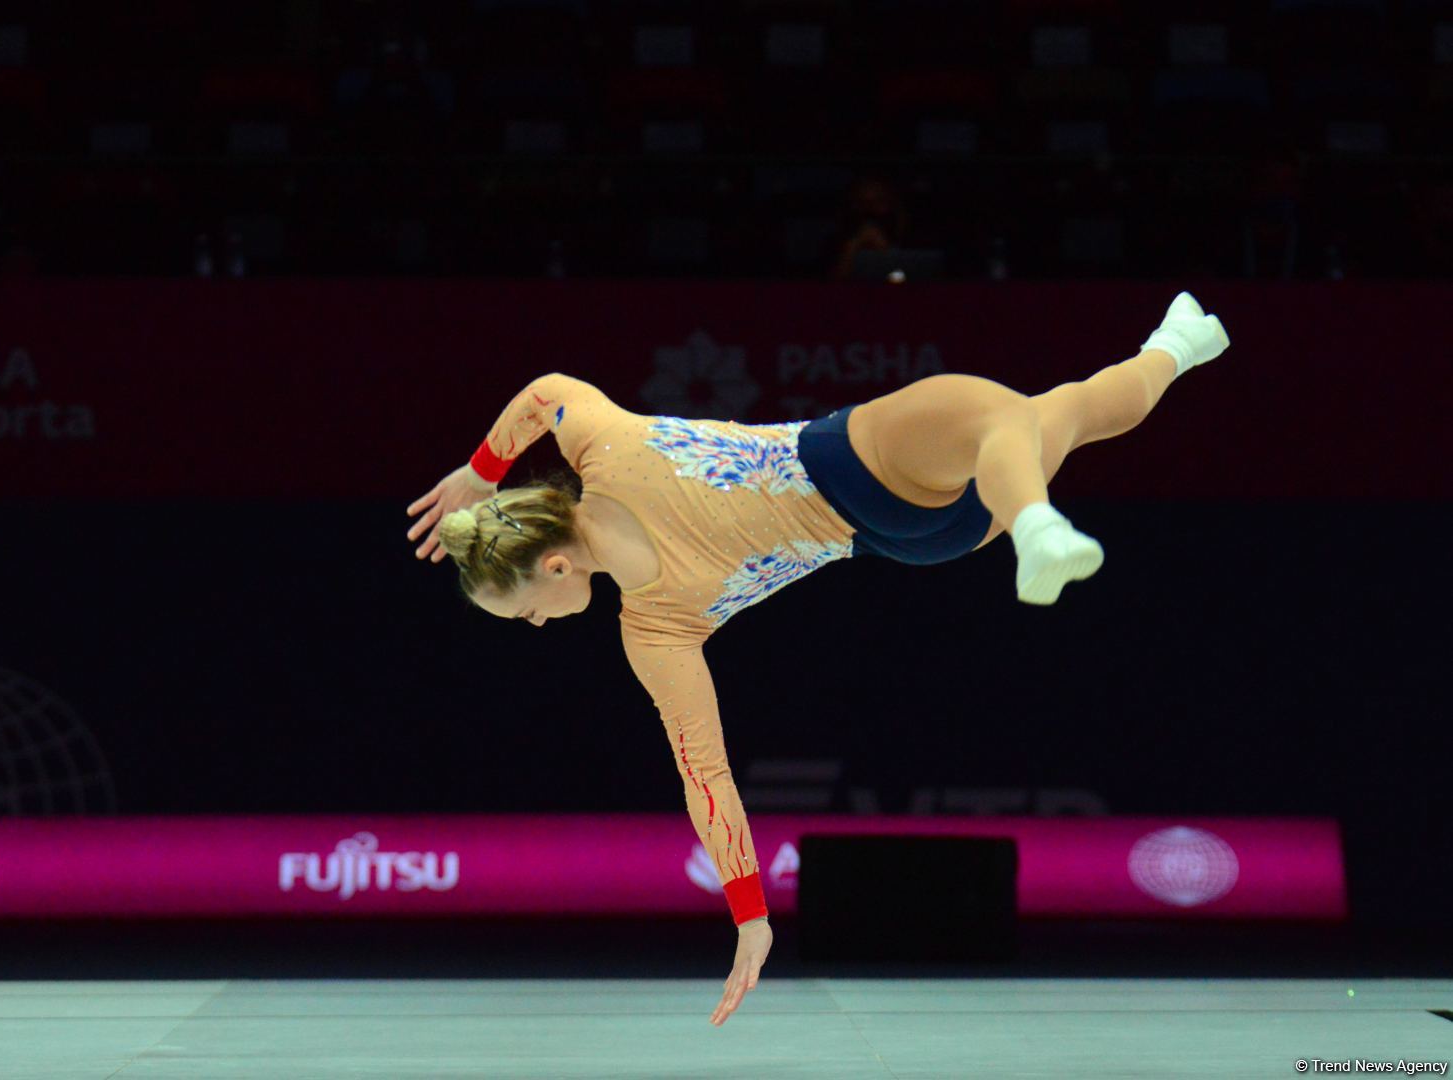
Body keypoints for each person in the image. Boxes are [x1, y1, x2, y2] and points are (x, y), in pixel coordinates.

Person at [405, 292, 1230, 1026]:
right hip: (855, 465)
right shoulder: (605, 456)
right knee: (1000, 413)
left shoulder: (654, 629)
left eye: (523, 613)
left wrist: (750, 914)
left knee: (1061, 413)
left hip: (904, 538)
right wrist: (481, 474)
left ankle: (1178, 345)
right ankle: (1038, 525)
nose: (539, 626)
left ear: (551, 566)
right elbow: (547, 392)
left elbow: (708, 779)